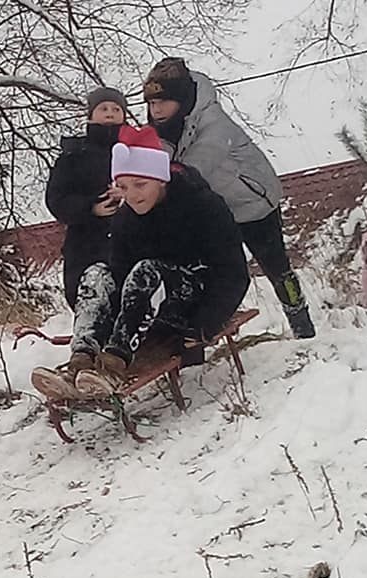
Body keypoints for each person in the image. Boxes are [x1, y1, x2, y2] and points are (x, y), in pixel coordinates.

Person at [31, 125, 250, 399]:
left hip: (194, 302)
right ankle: (81, 360)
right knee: (97, 273)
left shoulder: (203, 206)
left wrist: (207, 323)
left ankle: (115, 365)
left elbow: (232, 272)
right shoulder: (126, 219)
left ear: (161, 179)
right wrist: (109, 320)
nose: (132, 195)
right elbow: (121, 276)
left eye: (140, 184)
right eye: (123, 187)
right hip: (149, 310)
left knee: (147, 271)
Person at [143, 57, 315, 340]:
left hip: (254, 203)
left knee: (277, 269)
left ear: (182, 99)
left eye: (163, 101)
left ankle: (302, 324)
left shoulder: (214, 121)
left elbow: (199, 164)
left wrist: (163, 179)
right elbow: (153, 164)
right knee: (215, 269)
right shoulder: (163, 129)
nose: (156, 109)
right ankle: (201, 322)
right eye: (151, 103)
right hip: (218, 212)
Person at [43, 86, 126, 385]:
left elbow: (157, 190)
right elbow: (56, 200)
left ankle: (110, 363)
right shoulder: (73, 156)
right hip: (86, 244)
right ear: (90, 115)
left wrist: (128, 195)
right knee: (90, 291)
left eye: (116, 109)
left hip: (130, 241)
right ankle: (81, 360)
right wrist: (91, 208)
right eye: (104, 109)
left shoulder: (136, 151)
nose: (110, 114)